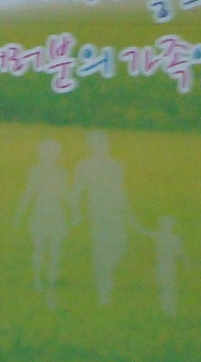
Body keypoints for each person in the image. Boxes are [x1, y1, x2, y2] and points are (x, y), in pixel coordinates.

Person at [70, 130, 133, 306]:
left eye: (104, 143)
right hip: (97, 211)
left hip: (115, 210)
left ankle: (106, 273)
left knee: (120, 245)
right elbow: (77, 191)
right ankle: (103, 292)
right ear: (91, 146)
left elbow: (121, 189)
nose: (102, 147)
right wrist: (76, 212)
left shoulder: (115, 165)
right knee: (101, 248)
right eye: (97, 144)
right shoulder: (84, 166)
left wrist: (127, 211)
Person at [13, 138, 70, 306]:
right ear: (40, 154)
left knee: (55, 251)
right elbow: (28, 194)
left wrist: (74, 210)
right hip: (39, 214)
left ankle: (51, 285)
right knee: (39, 250)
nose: (50, 156)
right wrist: (19, 214)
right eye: (46, 152)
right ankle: (38, 280)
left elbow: (64, 193)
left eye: (54, 153)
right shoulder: (34, 172)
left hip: (56, 215)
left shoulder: (61, 173)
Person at [137, 215, 190, 316]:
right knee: (164, 286)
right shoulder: (160, 236)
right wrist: (132, 220)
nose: (165, 227)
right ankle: (167, 308)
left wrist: (186, 263)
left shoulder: (172, 238)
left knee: (168, 286)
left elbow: (180, 253)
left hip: (169, 266)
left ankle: (170, 308)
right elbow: (142, 231)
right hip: (161, 266)